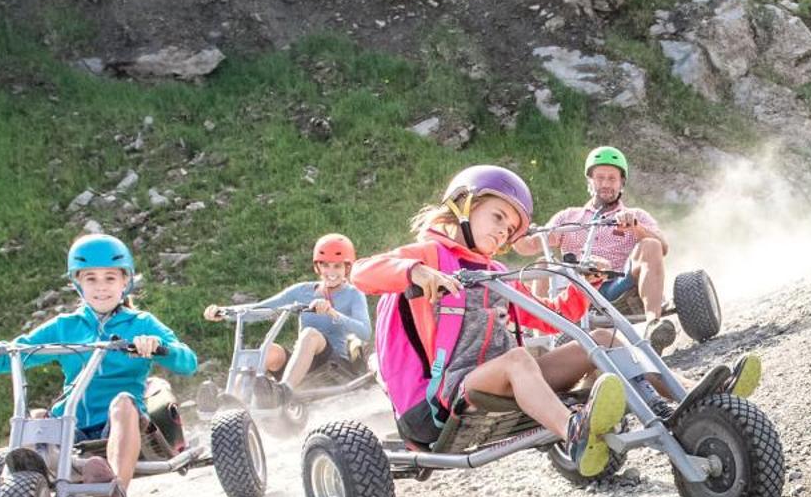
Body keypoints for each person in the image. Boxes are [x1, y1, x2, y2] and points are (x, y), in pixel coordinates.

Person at [355, 165, 629, 477]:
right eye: (498, 217)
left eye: (511, 229)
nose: (503, 231)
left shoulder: (498, 273)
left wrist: (587, 285)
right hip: (443, 397)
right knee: (518, 359)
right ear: (463, 206)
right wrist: (414, 271)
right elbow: (361, 272)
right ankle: (575, 432)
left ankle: (681, 408)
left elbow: (553, 318)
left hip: (509, 379)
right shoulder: (430, 255)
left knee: (603, 339)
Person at [0, 234, 197, 497]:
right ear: (78, 283)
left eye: (109, 278)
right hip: (72, 422)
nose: (101, 286)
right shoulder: (65, 326)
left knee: (123, 403)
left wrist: (156, 347)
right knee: (38, 418)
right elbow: (13, 353)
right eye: (91, 278)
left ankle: (114, 493)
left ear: (125, 282)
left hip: (122, 421)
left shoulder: (141, 323)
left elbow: (188, 361)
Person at [514, 145, 677, 347]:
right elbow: (528, 247)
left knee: (650, 244)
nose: (606, 184)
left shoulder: (636, 215)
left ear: (621, 183)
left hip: (617, 288)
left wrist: (635, 227)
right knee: (542, 264)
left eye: (612, 178)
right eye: (600, 178)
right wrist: (516, 229)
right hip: (575, 289)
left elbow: (662, 247)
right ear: (590, 181)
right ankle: (541, 336)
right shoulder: (569, 217)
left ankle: (654, 325)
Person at [205, 233, 370, 394]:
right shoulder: (301, 291)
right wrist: (225, 312)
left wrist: (333, 313)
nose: (330, 271)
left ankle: (284, 391)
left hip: (334, 366)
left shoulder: (354, 294)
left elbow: (365, 332)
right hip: (301, 366)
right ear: (317, 266)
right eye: (325, 265)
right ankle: (234, 402)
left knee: (310, 334)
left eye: (337, 266)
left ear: (347, 268)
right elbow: (262, 309)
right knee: (268, 350)